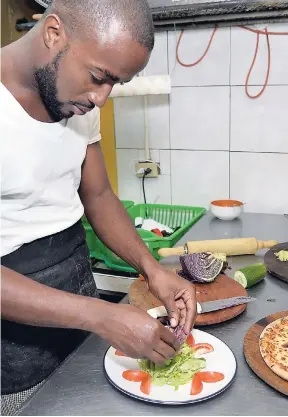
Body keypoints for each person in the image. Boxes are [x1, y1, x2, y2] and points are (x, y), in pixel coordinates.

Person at [1, 0, 196, 414]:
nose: (102, 98)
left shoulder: (79, 99)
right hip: (10, 356)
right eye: (98, 77)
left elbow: (99, 196)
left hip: (79, 315)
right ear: (54, 33)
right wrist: (100, 316)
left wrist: (153, 270)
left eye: (115, 84)